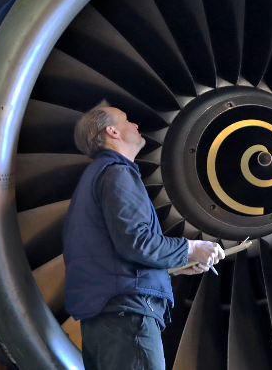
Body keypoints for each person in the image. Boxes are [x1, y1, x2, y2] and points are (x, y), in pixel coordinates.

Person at [63, 100, 225, 370]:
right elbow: (136, 242)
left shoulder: (94, 178)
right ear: (111, 132)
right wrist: (191, 248)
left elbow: (109, 255)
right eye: (126, 120)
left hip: (104, 319)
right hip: (128, 316)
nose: (135, 125)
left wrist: (173, 267)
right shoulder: (117, 174)